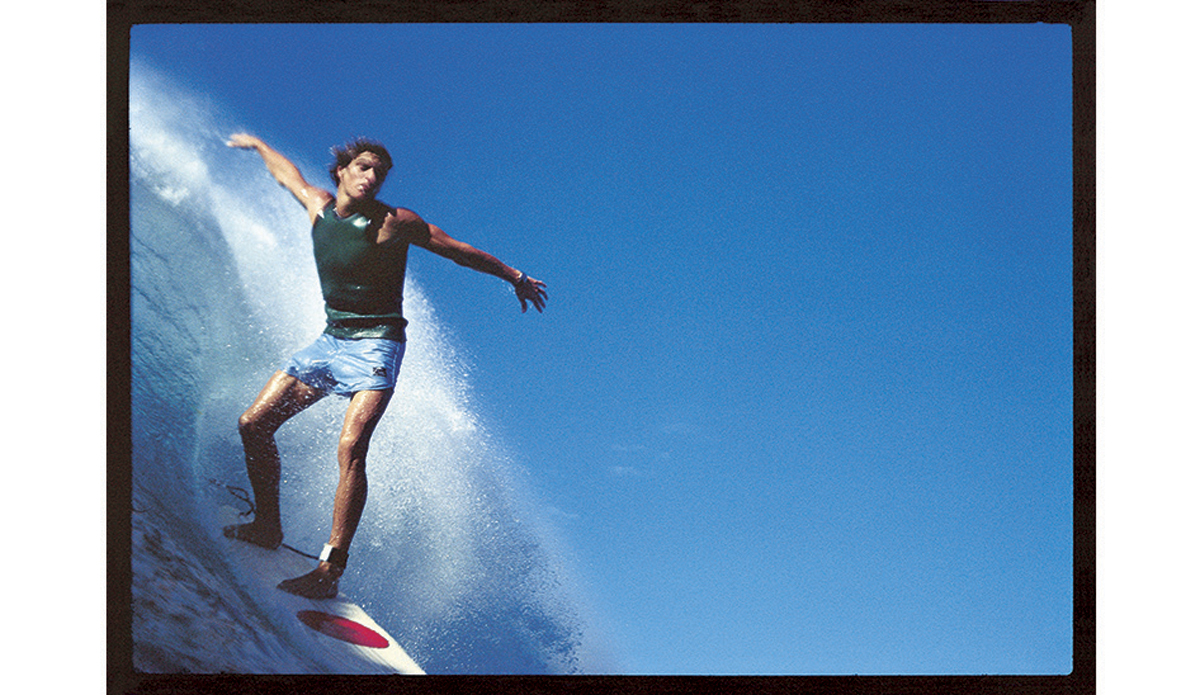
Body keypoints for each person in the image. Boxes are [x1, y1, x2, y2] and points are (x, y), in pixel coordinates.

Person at [223, 132, 547, 599]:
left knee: (351, 446)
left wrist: (512, 275)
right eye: (364, 168)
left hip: (378, 345)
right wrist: (257, 145)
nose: (372, 178)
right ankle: (267, 526)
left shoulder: (396, 222)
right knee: (254, 424)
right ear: (341, 171)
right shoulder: (317, 205)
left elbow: (454, 249)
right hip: (331, 340)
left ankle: (329, 570)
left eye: (380, 173)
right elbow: (286, 173)